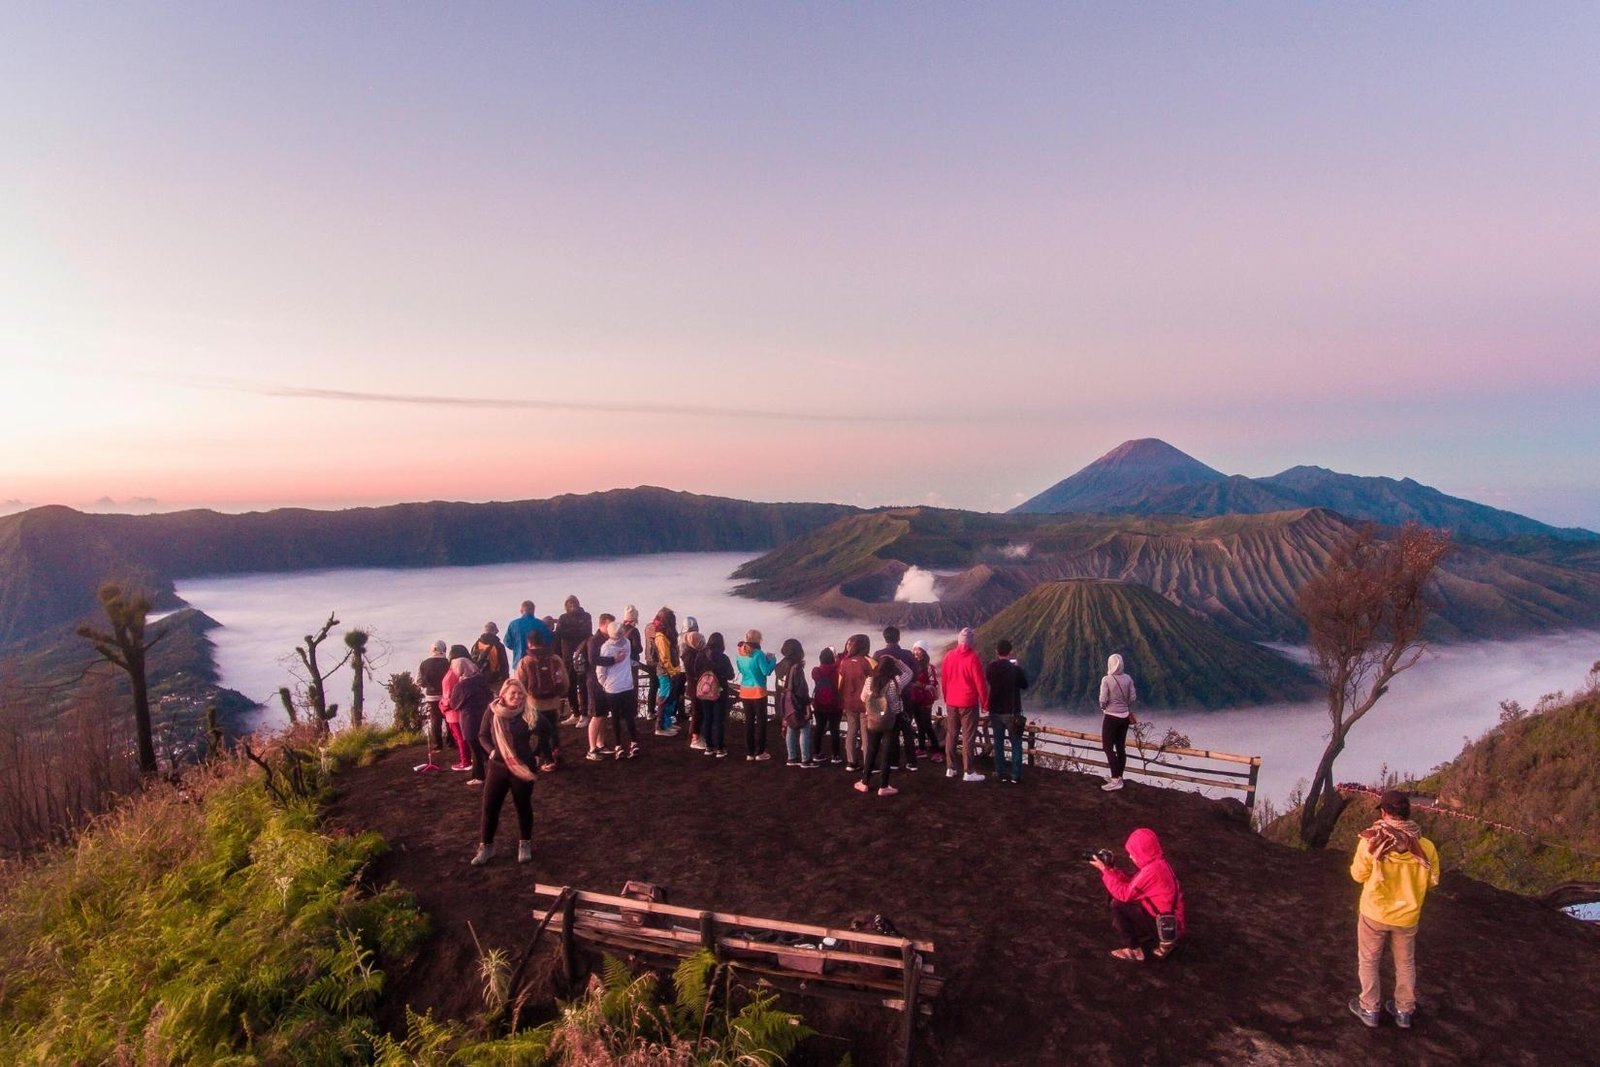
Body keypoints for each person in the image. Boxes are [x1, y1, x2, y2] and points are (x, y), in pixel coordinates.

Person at [1349, 790, 1440, 1029]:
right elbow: (1432, 880)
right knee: (1405, 962)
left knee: (1369, 960)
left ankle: (1369, 1008)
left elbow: (1358, 875)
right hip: (1407, 915)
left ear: (1384, 812)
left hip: (1375, 912)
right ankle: (1404, 1011)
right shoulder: (1426, 846)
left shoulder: (1371, 841)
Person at [1090, 827, 1186, 961]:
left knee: (1118, 904)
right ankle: (1162, 939)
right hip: (1173, 924)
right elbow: (1134, 885)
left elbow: (1124, 893)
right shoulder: (1158, 864)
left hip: (1165, 927)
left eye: (1133, 853)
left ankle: (1134, 950)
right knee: (1128, 902)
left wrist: (1104, 870)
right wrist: (1111, 869)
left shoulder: (1151, 872)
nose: (1130, 856)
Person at [472, 679, 538, 865]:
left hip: (522, 768)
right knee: (490, 807)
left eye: (520, 694)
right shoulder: (492, 711)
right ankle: (487, 847)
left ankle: (525, 844)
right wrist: (492, 751)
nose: (516, 697)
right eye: (512, 694)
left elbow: (548, 733)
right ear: (503, 695)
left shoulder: (529, 712)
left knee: (522, 806)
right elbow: (482, 735)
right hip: (498, 768)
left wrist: (538, 754)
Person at [856, 654, 912, 796]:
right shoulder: (896, 682)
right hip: (891, 721)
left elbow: (863, 698)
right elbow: (910, 673)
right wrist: (897, 660)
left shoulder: (869, 681)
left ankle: (864, 782)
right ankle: (884, 786)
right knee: (887, 753)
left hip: (873, 720)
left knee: (871, 750)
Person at [515, 630, 568, 771]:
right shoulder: (555, 658)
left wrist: (521, 702)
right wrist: (559, 694)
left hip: (534, 703)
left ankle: (548, 759)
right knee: (553, 728)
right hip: (553, 700)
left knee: (542, 732)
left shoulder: (525, 661)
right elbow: (564, 680)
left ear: (529, 643)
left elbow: (519, 684)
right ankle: (556, 752)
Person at [940, 628, 988, 782]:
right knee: (968, 737)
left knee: (951, 734)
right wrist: (985, 703)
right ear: (971, 641)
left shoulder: (948, 656)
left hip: (952, 701)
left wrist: (947, 697)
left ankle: (950, 768)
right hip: (968, 703)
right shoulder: (973, 658)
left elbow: (944, 679)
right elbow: (980, 683)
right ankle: (968, 771)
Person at [874, 626, 919, 772]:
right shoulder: (907, 655)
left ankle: (893, 762)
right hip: (905, 697)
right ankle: (912, 762)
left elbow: (874, 676)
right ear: (898, 637)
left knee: (890, 730)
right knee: (907, 730)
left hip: (884, 699)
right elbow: (914, 675)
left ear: (884, 638)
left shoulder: (878, 655)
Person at [985, 639, 1029, 784]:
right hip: (1012, 711)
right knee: (1016, 743)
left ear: (996, 652)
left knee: (998, 742)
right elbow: (1024, 685)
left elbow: (989, 680)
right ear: (1010, 652)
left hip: (995, 711)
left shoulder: (991, 667)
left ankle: (1001, 773)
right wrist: (1016, 668)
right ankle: (1016, 775)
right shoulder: (1015, 670)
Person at [447, 655, 493, 786]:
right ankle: (496, 770)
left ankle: (479, 776)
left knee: (476, 750)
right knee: (487, 746)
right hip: (485, 717)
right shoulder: (482, 680)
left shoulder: (461, 686)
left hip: (470, 720)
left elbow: (454, 704)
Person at [598, 620, 640, 758]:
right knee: (629, 716)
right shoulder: (627, 643)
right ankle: (634, 743)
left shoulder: (606, 648)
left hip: (613, 688)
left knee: (615, 717)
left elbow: (601, 670)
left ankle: (618, 746)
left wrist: (604, 683)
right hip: (627, 684)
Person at [735, 628, 778, 761]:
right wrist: (772, 660)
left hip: (745, 691)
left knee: (749, 722)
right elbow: (766, 671)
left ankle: (750, 752)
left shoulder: (739, 653)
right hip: (758, 692)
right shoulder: (758, 654)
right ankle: (760, 752)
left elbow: (741, 670)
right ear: (758, 640)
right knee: (761, 723)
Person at [1098, 653, 1138, 792]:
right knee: (1120, 747)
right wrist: (1123, 704)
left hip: (1111, 717)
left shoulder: (1106, 679)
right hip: (1125, 717)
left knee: (1107, 748)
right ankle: (1119, 776)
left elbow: (1103, 699)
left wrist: (1105, 707)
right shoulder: (1128, 678)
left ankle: (1115, 779)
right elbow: (1133, 697)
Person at [835, 634, 874, 772]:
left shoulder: (844, 662)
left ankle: (851, 762)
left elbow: (840, 684)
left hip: (849, 702)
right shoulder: (869, 662)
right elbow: (875, 683)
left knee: (851, 731)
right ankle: (868, 764)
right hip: (865, 705)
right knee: (866, 734)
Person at [775, 638, 816, 768]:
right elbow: (801, 688)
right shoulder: (796, 667)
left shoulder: (779, 666)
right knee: (804, 728)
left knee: (791, 727)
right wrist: (807, 703)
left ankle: (791, 757)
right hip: (796, 702)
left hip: (784, 703)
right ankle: (806, 759)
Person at [698, 631, 735, 758]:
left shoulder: (701, 655)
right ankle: (720, 748)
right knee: (718, 720)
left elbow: (695, 670)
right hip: (720, 691)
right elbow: (731, 675)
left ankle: (708, 747)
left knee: (707, 718)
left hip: (704, 690)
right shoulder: (723, 658)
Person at [555, 595, 594, 718]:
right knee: (570, 684)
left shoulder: (586, 616)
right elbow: (559, 633)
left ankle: (584, 712)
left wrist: (570, 632)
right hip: (567, 656)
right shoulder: (563, 617)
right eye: (570, 604)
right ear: (566, 606)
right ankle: (575, 712)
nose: (573, 606)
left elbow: (587, 632)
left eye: (574, 604)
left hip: (582, 654)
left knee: (583, 683)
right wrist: (576, 630)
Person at [907, 641, 942, 762]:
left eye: (919, 649)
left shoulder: (928, 667)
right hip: (914, 698)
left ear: (924, 652)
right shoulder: (911, 665)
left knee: (927, 725)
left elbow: (933, 683)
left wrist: (921, 686)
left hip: (925, 700)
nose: (916, 652)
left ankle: (936, 751)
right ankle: (921, 748)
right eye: (915, 649)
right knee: (919, 724)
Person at [652, 609, 684, 736]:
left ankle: (667, 723)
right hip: (666, 673)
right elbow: (665, 658)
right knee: (665, 697)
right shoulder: (661, 637)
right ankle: (660, 726)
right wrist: (672, 671)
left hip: (671, 671)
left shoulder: (665, 635)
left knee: (671, 698)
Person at [416, 639, 451, 754]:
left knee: (435, 721)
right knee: (449, 719)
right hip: (447, 695)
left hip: (431, 696)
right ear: (444, 649)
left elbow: (419, 681)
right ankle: (451, 742)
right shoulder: (448, 663)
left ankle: (437, 746)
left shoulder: (424, 664)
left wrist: (427, 685)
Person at [811, 647, 843, 764]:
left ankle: (817, 753)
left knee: (819, 728)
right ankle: (836, 755)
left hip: (819, 704)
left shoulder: (816, 671)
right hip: (835, 704)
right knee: (835, 729)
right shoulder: (837, 671)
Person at [504, 601, 553, 669]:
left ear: (521, 611)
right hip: (538, 662)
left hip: (519, 662)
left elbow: (507, 643)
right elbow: (548, 642)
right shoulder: (541, 624)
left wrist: (517, 647)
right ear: (533, 610)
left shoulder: (513, 624)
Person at [682, 629, 707, 749]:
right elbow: (696, 671)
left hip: (694, 687)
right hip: (696, 687)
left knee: (697, 711)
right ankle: (695, 738)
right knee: (697, 712)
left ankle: (694, 733)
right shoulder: (692, 656)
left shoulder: (688, 653)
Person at [472, 622, 509, 689]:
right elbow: (504, 665)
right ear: (495, 631)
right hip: (496, 680)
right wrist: (506, 680)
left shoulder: (476, 645)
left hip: (479, 681)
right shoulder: (498, 646)